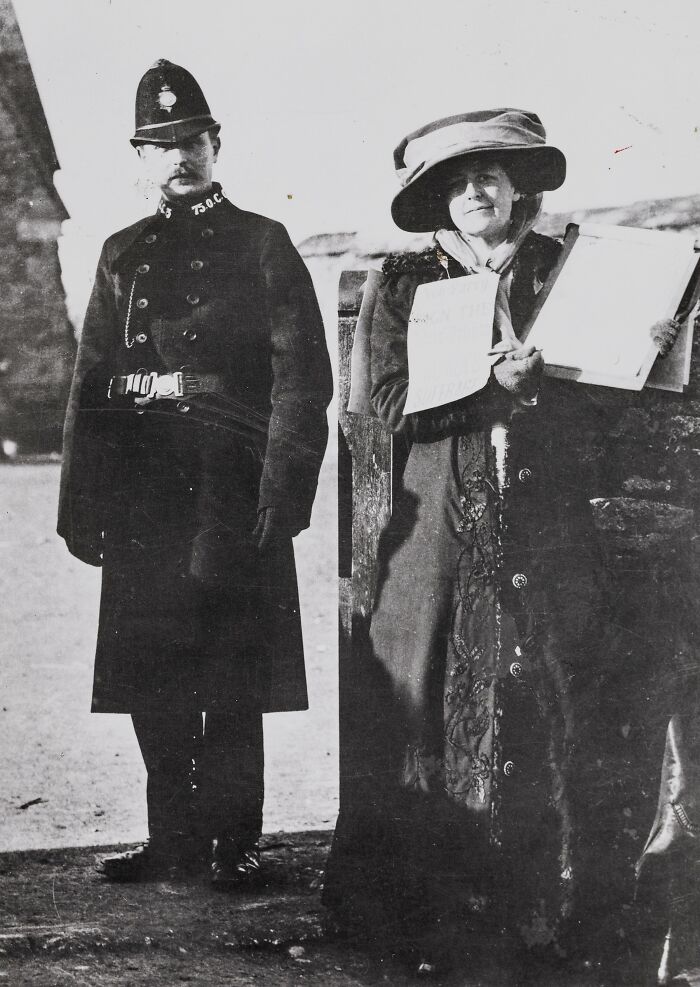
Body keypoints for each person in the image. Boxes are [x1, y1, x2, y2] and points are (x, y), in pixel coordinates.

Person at [323, 108, 680, 978]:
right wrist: (491, 384)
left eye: (491, 172)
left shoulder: (569, 269)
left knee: (549, 695)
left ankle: (547, 902)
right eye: (458, 179)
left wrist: (649, 352)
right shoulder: (405, 281)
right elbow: (385, 401)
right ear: (438, 199)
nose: (476, 189)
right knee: (438, 698)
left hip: (548, 520)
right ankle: (435, 909)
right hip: (439, 525)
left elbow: (610, 400)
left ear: (523, 185)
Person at [58, 59, 332, 886]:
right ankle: (172, 836)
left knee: (231, 673)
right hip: (145, 497)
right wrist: (82, 503)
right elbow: (91, 384)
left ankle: (232, 839)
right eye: (161, 144)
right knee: (153, 671)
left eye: (192, 140)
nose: (179, 156)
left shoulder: (261, 243)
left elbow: (301, 378)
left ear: (217, 145)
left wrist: (281, 490)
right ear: (140, 156)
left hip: (230, 493)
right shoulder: (121, 254)